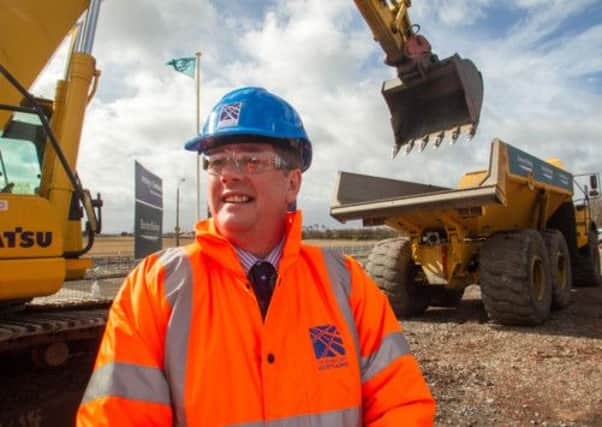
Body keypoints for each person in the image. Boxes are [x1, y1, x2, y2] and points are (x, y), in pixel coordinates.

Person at [76, 87, 435, 426]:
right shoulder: (156, 286)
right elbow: (116, 417)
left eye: (251, 160)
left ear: (292, 184)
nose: (229, 174)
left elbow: (401, 405)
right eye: (216, 162)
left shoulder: (346, 283)